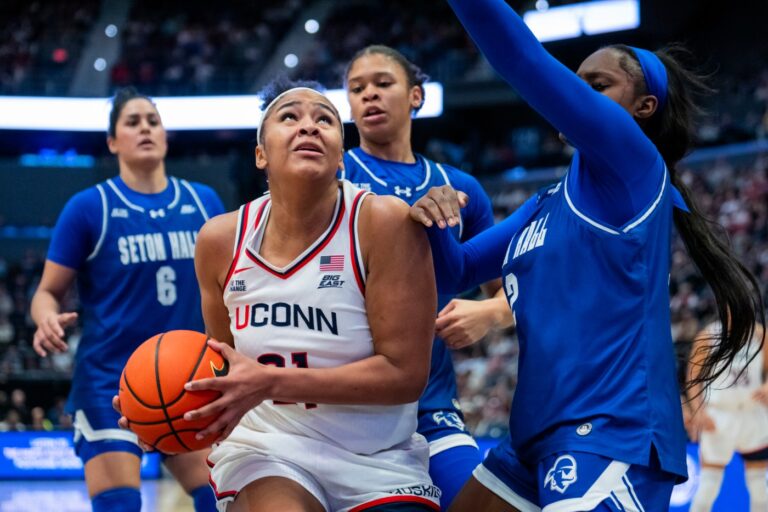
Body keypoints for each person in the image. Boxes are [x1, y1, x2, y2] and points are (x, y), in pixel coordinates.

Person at [406, 0, 766, 510]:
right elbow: (454, 270)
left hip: (610, 433)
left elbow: (523, 59)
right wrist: (438, 216)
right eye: (578, 82)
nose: (579, 93)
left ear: (644, 107)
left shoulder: (633, 165)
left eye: (598, 86)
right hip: (535, 436)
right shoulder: (545, 203)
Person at [149, 79, 441, 511]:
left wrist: (271, 381)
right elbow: (222, 369)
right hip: (269, 449)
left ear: (341, 156)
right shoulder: (220, 239)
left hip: (379, 459)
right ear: (260, 154)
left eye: (324, 119)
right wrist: (159, 414)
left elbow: (405, 375)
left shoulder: (382, 221)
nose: (309, 126)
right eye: (290, 117)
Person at [31, 87, 224, 512]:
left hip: (188, 378)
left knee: (222, 499)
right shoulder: (89, 207)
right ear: (113, 141)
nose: (145, 129)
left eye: (152, 121)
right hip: (109, 381)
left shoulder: (203, 201)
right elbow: (47, 292)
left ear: (166, 136)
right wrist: (45, 318)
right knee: (119, 505)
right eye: (133, 122)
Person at [341, 44, 513, 506]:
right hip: (344, 410)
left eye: (383, 84)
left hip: (431, 408)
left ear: (416, 96)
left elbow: (509, 294)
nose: (369, 96)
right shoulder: (331, 177)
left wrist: (490, 312)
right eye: (357, 89)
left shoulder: (464, 190)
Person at [687, 320, 768, 512]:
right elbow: (693, 376)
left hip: (752, 413)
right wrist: (697, 410)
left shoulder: (759, 333)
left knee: (759, 487)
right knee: (708, 486)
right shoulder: (709, 335)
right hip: (718, 415)